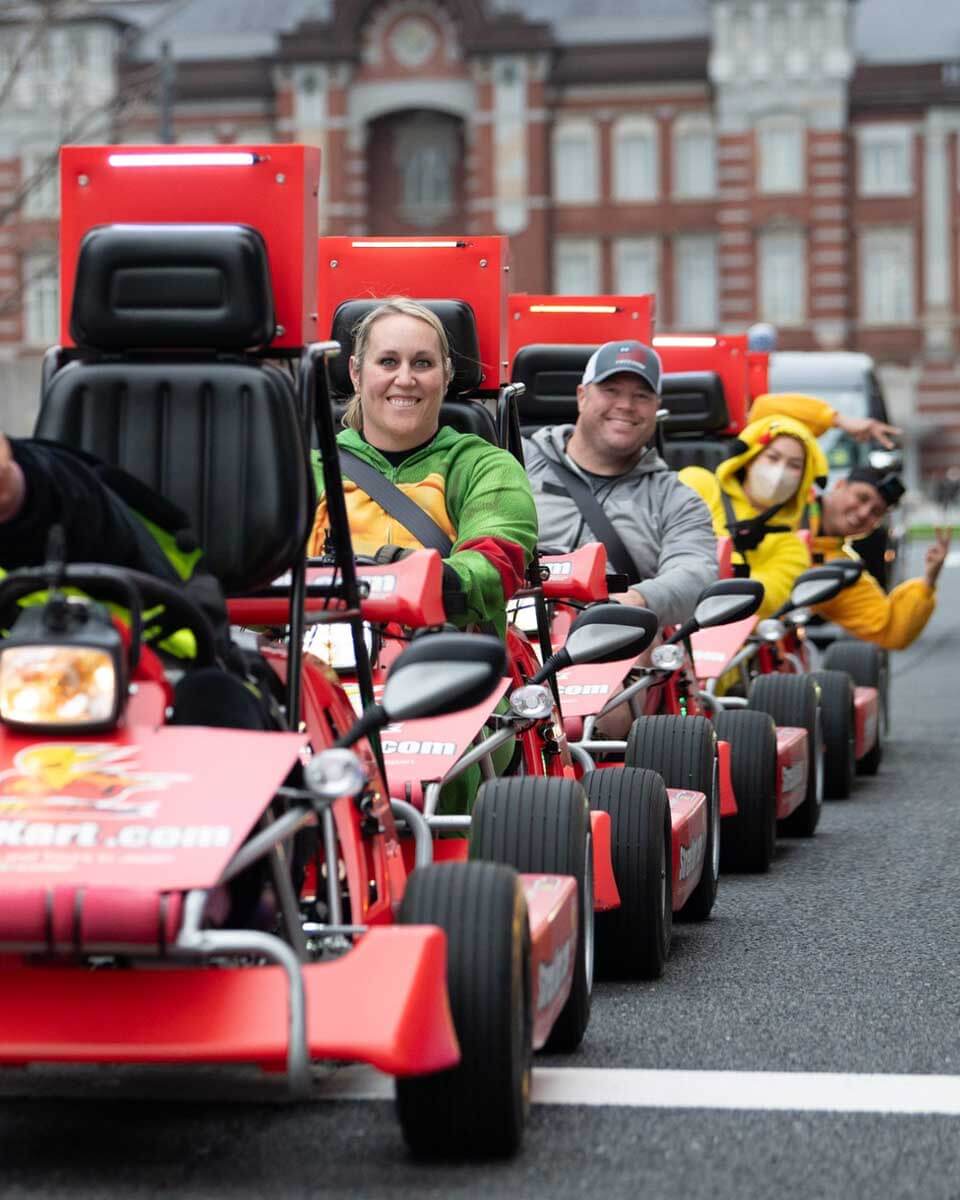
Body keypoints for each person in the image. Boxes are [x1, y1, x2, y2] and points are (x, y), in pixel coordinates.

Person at [0, 434, 273, 730]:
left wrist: (16, 491)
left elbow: (61, 506)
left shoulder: (70, 501)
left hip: (168, 668)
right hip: (30, 696)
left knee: (214, 699)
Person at [308, 297, 538, 638]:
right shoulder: (305, 471)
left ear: (445, 375)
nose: (405, 378)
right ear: (356, 373)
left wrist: (421, 576)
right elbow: (257, 577)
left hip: (452, 669)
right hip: (319, 673)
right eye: (387, 362)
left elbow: (495, 565)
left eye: (422, 363)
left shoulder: (487, 468)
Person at [524, 339, 717, 625]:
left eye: (641, 395)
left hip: (619, 649)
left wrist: (637, 600)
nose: (626, 405)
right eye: (610, 390)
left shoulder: (677, 500)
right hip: (512, 650)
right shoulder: (517, 462)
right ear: (582, 396)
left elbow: (695, 572)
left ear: (657, 407)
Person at [747, 392, 951, 649]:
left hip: (753, 649)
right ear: (840, 485)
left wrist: (928, 581)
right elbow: (765, 411)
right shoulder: (786, 493)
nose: (865, 513)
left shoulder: (839, 572)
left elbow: (890, 630)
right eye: (862, 497)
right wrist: (839, 421)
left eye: (876, 512)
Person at [678, 413, 828, 617]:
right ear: (750, 458)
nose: (780, 471)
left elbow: (763, 600)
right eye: (772, 457)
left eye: (794, 465)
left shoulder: (792, 548)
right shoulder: (698, 483)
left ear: (804, 478)